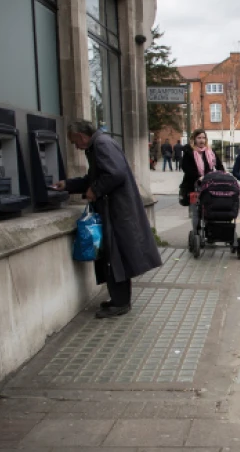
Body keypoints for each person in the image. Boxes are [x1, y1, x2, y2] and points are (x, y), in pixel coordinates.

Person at [54, 120, 162, 318]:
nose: (75, 146)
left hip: (118, 210)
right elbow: (96, 177)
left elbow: (115, 173)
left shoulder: (101, 144)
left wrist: (95, 190)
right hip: (116, 209)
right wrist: (68, 185)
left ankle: (121, 303)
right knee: (114, 256)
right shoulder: (100, 144)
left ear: (81, 136)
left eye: (74, 141)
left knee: (115, 256)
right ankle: (119, 300)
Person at [180, 130, 225, 235]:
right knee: (196, 212)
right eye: (199, 138)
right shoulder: (189, 153)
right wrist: (199, 177)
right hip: (194, 186)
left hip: (210, 186)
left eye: (203, 138)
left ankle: (210, 233)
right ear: (194, 139)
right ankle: (196, 233)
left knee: (210, 210)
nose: (201, 140)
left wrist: (221, 175)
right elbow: (186, 168)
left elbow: (219, 166)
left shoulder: (210, 152)